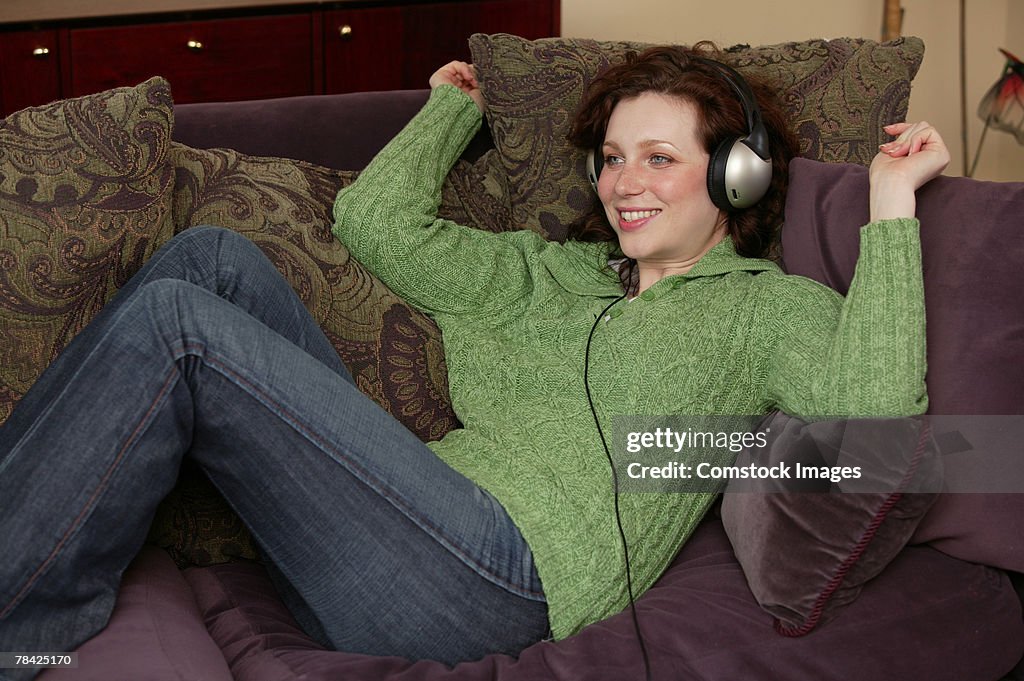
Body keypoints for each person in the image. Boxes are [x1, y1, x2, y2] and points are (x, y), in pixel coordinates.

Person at [0, 43, 949, 678]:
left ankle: (21, 627)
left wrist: (892, 205)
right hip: (403, 529)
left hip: (501, 580)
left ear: (737, 173)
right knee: (209, 261)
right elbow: (375, 224)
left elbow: (873, 407)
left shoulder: (766, 308)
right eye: (612, 158)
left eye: (659, 157)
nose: (625, 182)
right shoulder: (545, 272)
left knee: (181, 323)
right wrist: (448, 111)